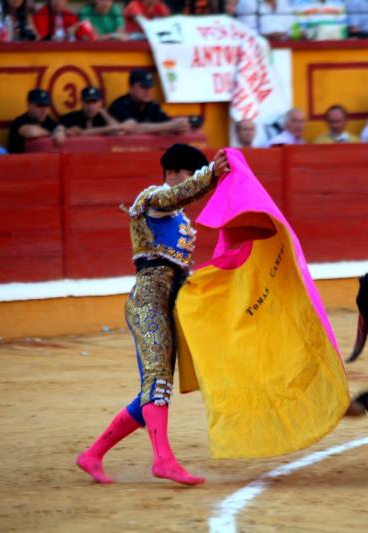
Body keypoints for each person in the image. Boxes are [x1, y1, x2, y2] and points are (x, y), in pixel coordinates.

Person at [76, 144, 231, 486]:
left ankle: (92, 455)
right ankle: (163, 461)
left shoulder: (180, 220)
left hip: (168, 305)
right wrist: (210, 177)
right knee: (158, 381)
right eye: (191, 174)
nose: (191, 184)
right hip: (147, 302)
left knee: (152, 389)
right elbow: (174, 197)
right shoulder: (152, 199)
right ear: (176, 172)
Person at [108, 69, 191, 135]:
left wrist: (180, 127)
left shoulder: (152, 105)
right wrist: (171, 126)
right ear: (131, 88)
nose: (148, 91)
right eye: (143, 87)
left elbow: (165, 123)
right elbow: (132, 128)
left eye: (150, 87)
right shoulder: (120, 105)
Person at [8, 88, 66, 153]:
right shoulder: (19, 121)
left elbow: (59, 127)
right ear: (29, 105)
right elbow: (31, 132)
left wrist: (60, 131)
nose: (44, 110)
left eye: (46, 106)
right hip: (19, 161)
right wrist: (52, 133)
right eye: (40, 106)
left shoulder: (47, 119)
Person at [59, 86, 126, 136]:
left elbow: (119, 132)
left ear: (101, 103)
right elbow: (81, 133)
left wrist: (104, 112)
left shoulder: (105, 117)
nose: (91, 107)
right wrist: (109, 129)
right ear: (81, 102)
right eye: (87, 102)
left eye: (94, 102)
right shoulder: (73, 117)